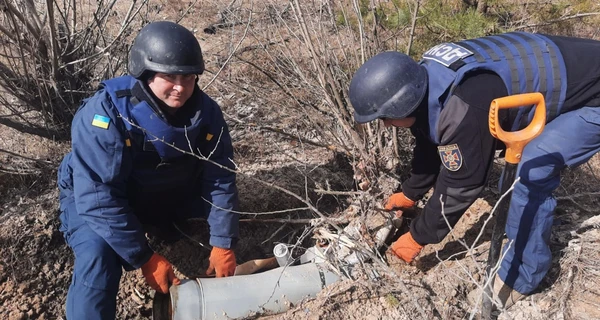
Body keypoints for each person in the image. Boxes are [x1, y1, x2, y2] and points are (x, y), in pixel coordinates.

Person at [348, 32, 600, 308]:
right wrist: (410, 193)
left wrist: (418, 236)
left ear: (404, 101)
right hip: (574, 63)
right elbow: (429, 139)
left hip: (593, 94)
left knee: (530, 168)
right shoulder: (425, 79)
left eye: (386, 117)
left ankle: (521, 276)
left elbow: (462, 183)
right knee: (518, 172)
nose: (385, 125)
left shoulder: (466, 103)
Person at [57, 21, 239, 319]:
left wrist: (223, 242)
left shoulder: (206, 113)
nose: (180, 86)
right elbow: (99, 197)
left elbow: (219, 176)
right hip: (95, 196)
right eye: (169, 76)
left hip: (164, 188)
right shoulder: (104, 114)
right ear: (145, 72)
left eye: (188, 77)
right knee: (98, 252)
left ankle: (163, 224)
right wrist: (145, 258)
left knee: (211, 217)